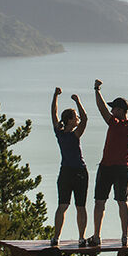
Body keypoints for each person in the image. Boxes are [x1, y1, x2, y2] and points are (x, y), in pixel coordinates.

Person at [89, 77, 128, 247]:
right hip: (122, 169)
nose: (111, 111)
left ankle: (98, 236)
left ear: (120, 110)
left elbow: (101, 108)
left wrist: (97, 90)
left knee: (101, 202)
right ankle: (124, 236)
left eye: (114, 108)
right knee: (121, 201)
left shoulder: (114, 123)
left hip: (108, 168)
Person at [50, 87, 88, 246]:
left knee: (62, 205)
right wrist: (78, 101)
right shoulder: (74, 135)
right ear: (71, 120)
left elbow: (53, 113)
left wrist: (55, 96)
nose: (78, 119)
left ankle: (56, 237)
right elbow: (85, 119)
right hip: (79, 171)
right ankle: (81, 237)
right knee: (80, 206)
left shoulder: (59, 133)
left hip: (65, 172)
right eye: (75, 117)